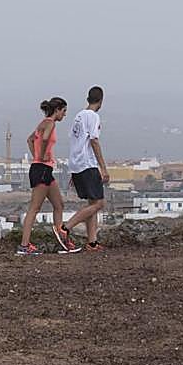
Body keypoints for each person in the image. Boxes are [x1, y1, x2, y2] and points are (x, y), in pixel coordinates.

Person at [17, 97, 81, 255]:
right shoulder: (50, 123)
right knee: (34, 208)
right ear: (57, 110)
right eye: (64, 111)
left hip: (43, 168)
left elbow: (30, 139)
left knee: (59, 204)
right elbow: (44, 139)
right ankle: (24, 246)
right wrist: (43, 155)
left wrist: (37, 156)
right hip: (42, 170)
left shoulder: (42, 123)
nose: (64, 115)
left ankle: (62, 240)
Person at [60, 85, 109, 251]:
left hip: (76, 164)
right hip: (87, 164)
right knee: (100, 203)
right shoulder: (92, 116)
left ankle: (92, 241)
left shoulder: (78, 116)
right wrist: (103, 167)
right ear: (101, 101)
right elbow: (94, 141)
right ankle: (66, 227)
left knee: (92, 202)